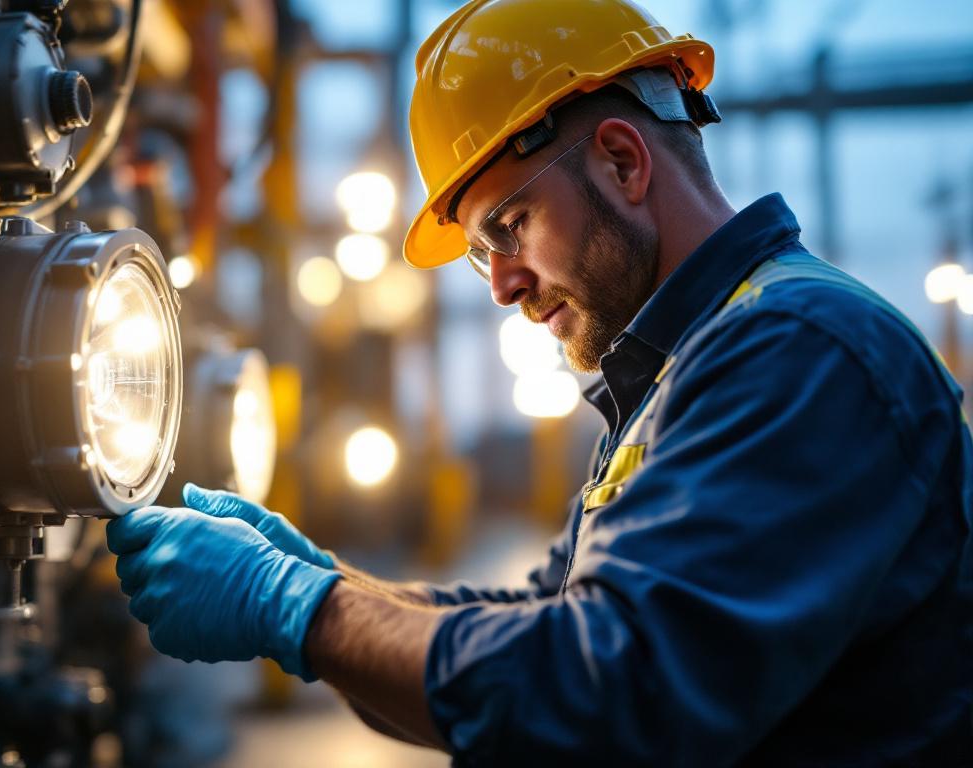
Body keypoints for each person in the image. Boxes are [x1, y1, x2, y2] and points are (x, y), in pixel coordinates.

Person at [104, 0, 973, 763]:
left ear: (624, 163)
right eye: (484, 252)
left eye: (510, 226)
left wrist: (298, 608)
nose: (501, 285)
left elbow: (607, 699)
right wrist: (325, 579)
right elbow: (540, 621)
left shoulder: (796, 351)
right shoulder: (679, 375)